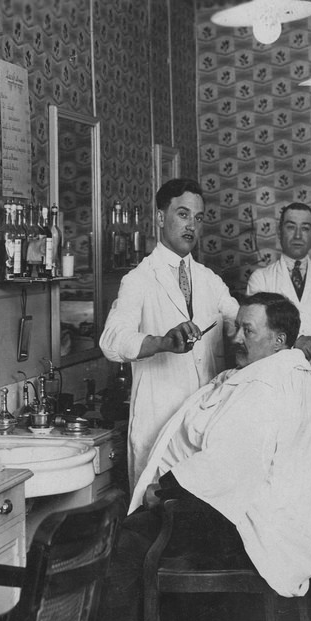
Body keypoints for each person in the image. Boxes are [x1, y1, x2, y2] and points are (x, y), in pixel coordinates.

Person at [98, 293, 311, 621]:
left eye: (249, 330)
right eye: (237, 327)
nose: (237, 337)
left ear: (279, 340)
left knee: (129, 540)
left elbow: (225, 465)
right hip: (279, 519)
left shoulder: (265, 385)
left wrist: (163, 489)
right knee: (149, 530)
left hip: (260, 532)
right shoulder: (286, 373)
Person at [100, 178, 240, 486]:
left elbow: (239, 322)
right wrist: (161, 342)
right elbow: (111, 341)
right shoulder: (138, 280)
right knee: (156, 520)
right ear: (161, 217)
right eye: (183, 214)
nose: (192, 225)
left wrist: (239, 331)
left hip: (204, 425)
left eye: (198, 218)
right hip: (158, 425)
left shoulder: (209, 280)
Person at [246, 202, 311, 364]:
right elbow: (256, 331)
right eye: (291, 227)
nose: (298, 235)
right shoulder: (261, 279)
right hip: (278, 369)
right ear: (280, 232)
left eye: (305, 228)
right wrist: (295, 341)